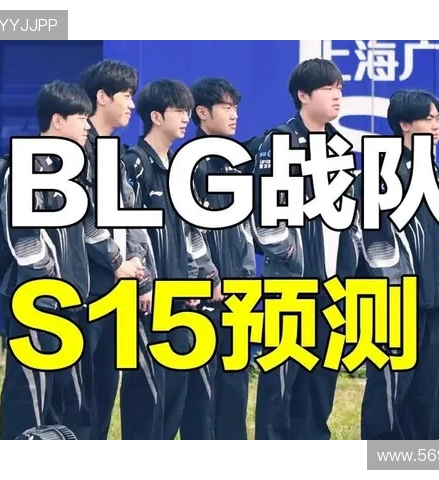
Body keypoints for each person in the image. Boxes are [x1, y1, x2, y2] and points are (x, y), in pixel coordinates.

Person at [0, 81, 137, 440]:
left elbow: (90, 227)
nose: (87, 125)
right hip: (38, 306)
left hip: (73, 306)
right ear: (57, 121)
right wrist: (51, 284)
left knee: (70, 401)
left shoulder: (72, 170)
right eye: (80, 118)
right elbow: (23, 239)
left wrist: (116, 261)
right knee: (30, 399)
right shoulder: (27, 168)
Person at [251, 58, 360, 440]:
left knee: (322, 376)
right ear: (303, 95)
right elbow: (262, 213)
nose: (337, 96)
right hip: (291, 284)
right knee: (281, 378)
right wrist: (290, 255)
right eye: (328, 89)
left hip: (333, 283)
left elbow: (350, 214)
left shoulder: (340, 146)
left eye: (340, 89)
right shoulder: (279, 142)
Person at [120, 79, 222, 440]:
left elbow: (191, 231)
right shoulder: (133, 165)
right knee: (147, 393)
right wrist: (143, 283)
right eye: (179, 111)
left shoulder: (181, 166)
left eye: (187, 111)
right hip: (147, 299)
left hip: (179, 295)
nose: (185, 118)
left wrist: (199, 277)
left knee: (176, 390)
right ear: (156, 116)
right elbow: (129, 230)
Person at [360, 89, 439, 440]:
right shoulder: (381, 173)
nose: (436, 126)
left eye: (438, 119)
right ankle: (377, 458)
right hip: (396, 302)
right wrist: (398, 292)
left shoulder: (435, 173)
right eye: (428, 119)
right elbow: (374, 243)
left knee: (423, 392)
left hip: (431, 301)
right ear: (405, 124)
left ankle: (416, 460)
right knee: (389, 390)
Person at [78, 59, 157, 440]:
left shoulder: (113, 152)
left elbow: (132, 216)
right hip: (91, 286)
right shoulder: (81, 149)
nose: (131, 104)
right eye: (126, 95)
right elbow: (83, 217)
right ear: (102, 97)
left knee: (106, 387)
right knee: (84, 392)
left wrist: (140, 274)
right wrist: (116, 261)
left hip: (120, 286)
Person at [189, 77, 255, 440]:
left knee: (236, 380)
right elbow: (190, 230)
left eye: (236, 108)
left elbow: (245, 229)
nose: (234, 115)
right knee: (203, 388)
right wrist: (207, 275)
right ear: (202, 112)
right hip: (207, 292)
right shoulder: (192, 165)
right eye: (226, 107)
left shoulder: (235, 162)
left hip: (239, 290)